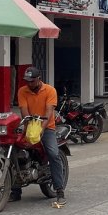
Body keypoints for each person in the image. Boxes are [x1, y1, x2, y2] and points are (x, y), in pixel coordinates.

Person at [13, 66, 67, 206]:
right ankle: (15, 191)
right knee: (15, 151)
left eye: (32, 81)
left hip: (47, 128)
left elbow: (49, 112)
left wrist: (41, 129)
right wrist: (28, 128)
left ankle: (60, 191)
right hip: (30, 127)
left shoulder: (50, 90)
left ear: (38, 79)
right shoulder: (22, 91)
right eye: (27, 81)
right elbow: (24, 111)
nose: (29, 84)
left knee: (53, 154)